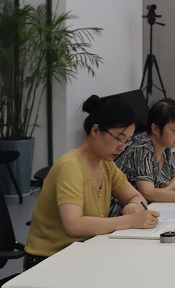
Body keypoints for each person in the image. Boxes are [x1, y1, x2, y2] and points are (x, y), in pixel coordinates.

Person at [24, 95, 160, 269]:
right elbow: (73, 225)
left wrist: (133, 206)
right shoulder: (71, 167)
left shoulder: (106, 165)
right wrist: (130, 221)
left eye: (127, 141)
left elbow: (136, 196)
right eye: (119, 138)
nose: (122, 147)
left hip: (85, 251)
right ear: (96, 131)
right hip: (49, 261)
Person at [109, 98, 175, 216]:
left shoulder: (166, 146)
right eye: (174, 130)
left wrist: (161, 193)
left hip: (155, 208)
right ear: (155, 128)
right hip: (124, 213)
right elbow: (147, 193)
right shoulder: (142, 148)